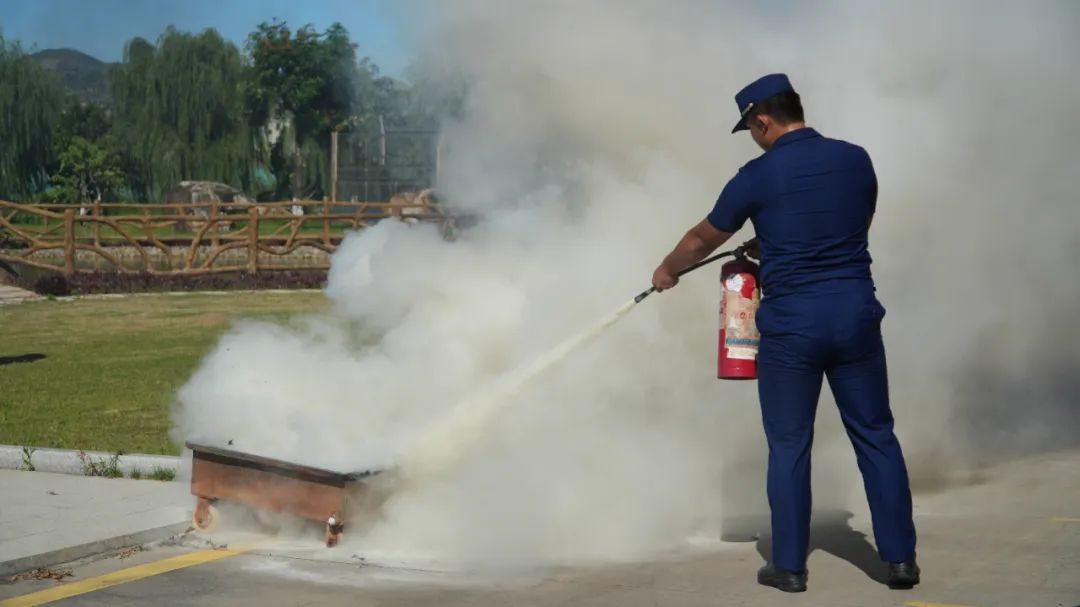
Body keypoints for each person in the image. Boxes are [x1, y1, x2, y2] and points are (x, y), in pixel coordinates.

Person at [651, 74, 918, 593]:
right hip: (855, 314)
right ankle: (901, 561)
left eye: (750, 127)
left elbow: (701, 238)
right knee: (876, 436)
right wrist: (774, 242)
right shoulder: (856, 159)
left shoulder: (756, 175)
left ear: (762, 120)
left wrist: (667, 270)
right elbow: (848, 226)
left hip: (793, 327)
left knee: (790, 445)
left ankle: (790, 567)